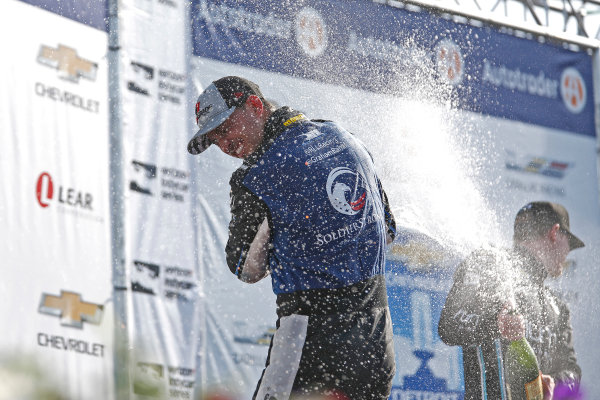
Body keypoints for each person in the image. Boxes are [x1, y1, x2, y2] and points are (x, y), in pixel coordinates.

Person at [188, 76, 397, 399]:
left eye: (225, 128)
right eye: (215, 139)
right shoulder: (342, 137)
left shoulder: (256, 176)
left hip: (312, 339)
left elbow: (245, 268)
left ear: (255, 106)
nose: (225, 145)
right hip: (375, 339)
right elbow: (388, 229)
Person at [438, 201, 584, 400]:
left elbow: (572, 370)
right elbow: (449, 326)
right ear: (554, 233)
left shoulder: (557, 307)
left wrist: (555, 383)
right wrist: (496, 325)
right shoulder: (490, 265)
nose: (568, 253)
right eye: (569, 243)